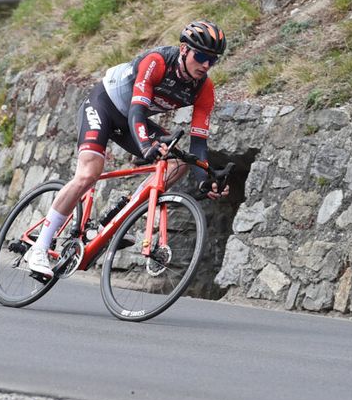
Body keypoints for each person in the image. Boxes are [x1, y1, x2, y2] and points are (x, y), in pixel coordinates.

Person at [24, 20, 231, 277]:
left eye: (213, 60)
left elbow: (198, 143)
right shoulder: (157, 62)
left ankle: (119, 222)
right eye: (201, 56)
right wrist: (146, 146)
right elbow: (137, 111)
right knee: (89, 172)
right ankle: (40, 248)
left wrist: (206, 180)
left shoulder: (205, 89)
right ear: (183, 50)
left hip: (133, 119)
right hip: (106, 105)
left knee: (178, 164)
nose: (206, 65)